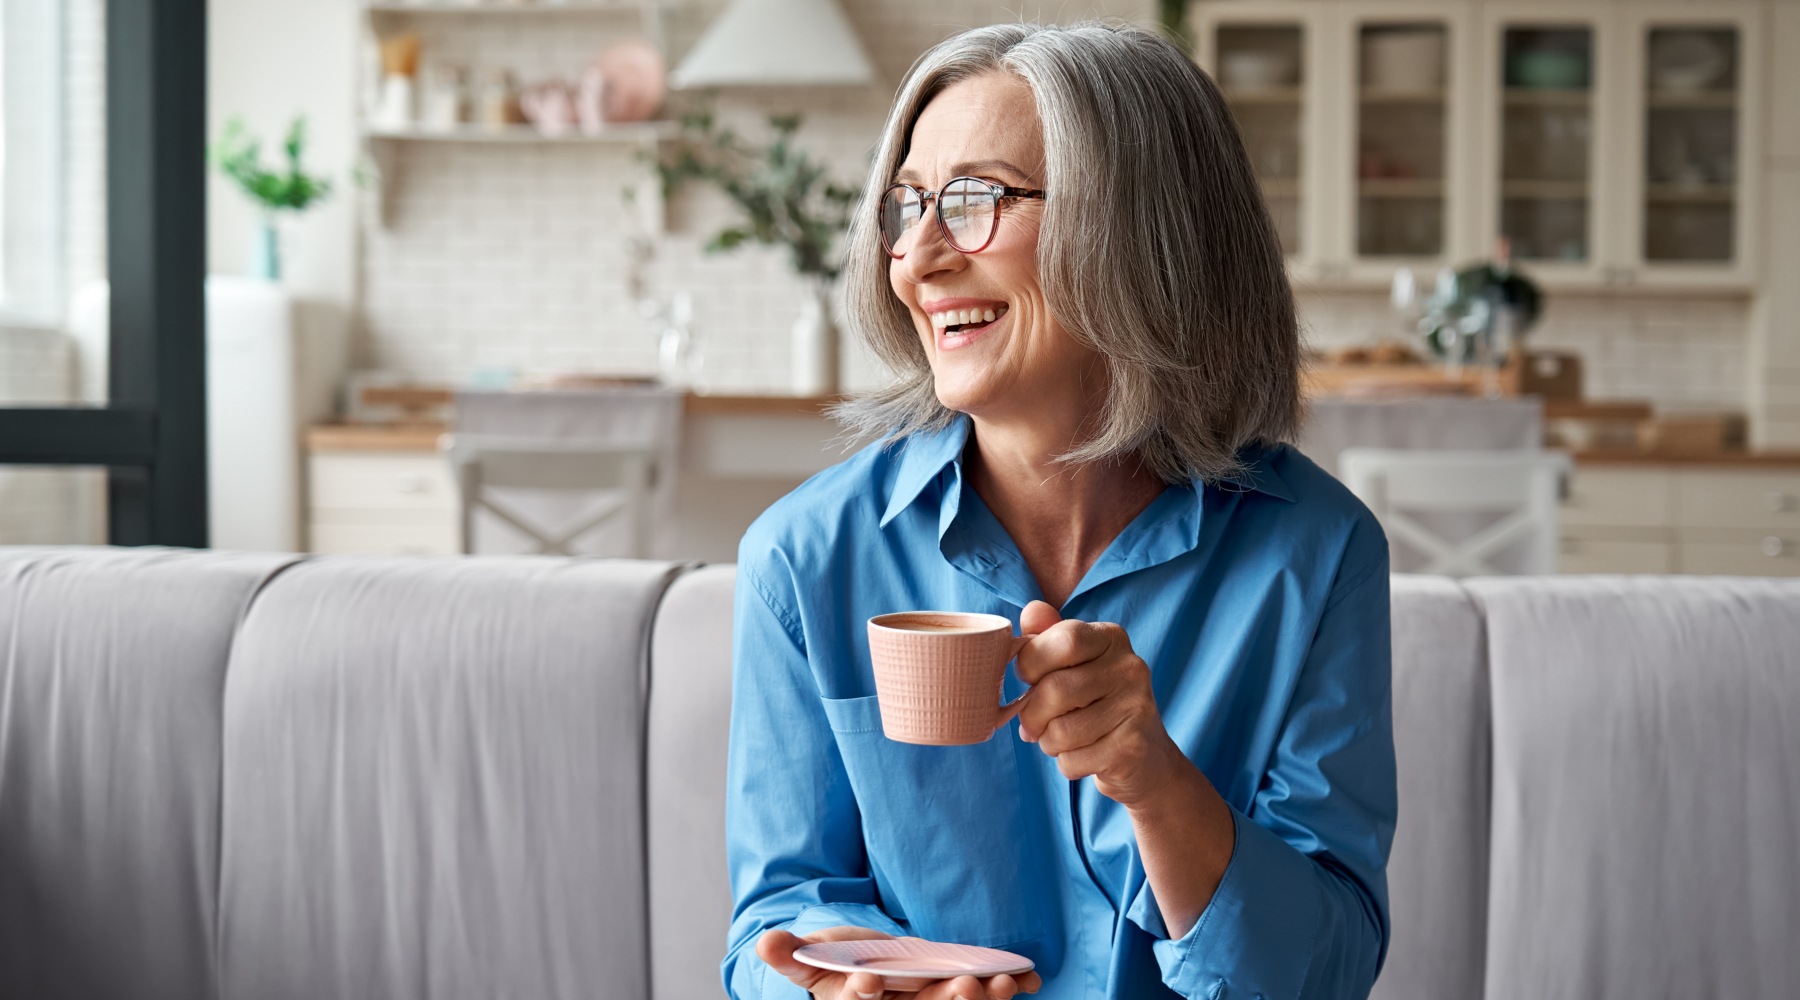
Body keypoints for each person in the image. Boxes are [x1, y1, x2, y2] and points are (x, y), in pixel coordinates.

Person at [724, 20, 1395, 1000]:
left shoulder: (1315, 555)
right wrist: (836, 984)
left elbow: (1322, 971)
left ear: (1140, 227)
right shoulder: (805, 559)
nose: (916, 257)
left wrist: (1153, 777)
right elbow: (777, 918)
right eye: (906, 206)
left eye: (972, 200)